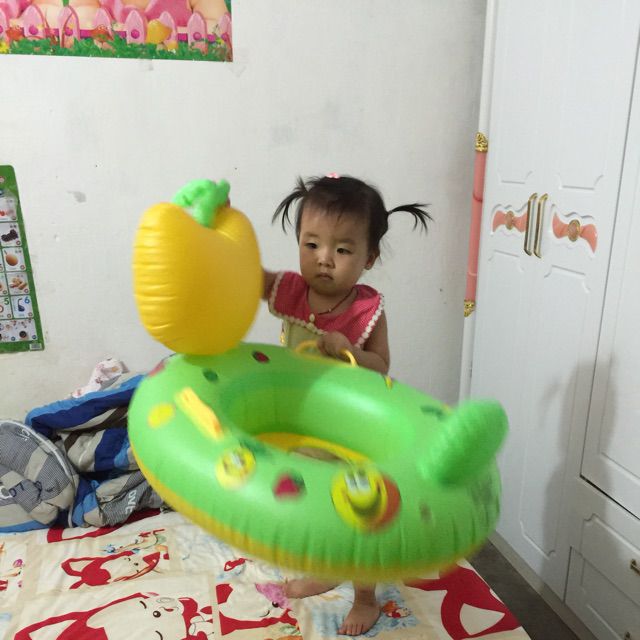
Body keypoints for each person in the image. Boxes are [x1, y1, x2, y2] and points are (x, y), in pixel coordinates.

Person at [262, 174, 431, 636]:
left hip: (351, 433)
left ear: (368, 257)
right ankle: (325, 569)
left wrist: (350, 352)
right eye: (311, 244)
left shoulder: (366, 309)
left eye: (342, 249)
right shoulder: (291, 292)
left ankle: (365, 597)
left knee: (358, 515)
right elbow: (249, 276)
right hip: (303, 428)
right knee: (316, 509)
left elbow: (382, 365)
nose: (324, 258)